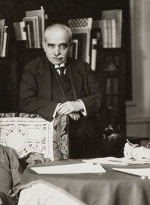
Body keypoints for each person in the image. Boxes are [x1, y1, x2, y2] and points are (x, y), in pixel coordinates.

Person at [18, 23, 105, 159]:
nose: (56, 52)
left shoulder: (83, 68)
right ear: (44, 45)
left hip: (87, 140)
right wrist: (61, 109)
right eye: (51, 45)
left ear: (70, 46)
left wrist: (77, 105)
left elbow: (100, 98)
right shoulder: (32, 69)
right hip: (51, 141)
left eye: (62, 46)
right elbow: (26, 101)